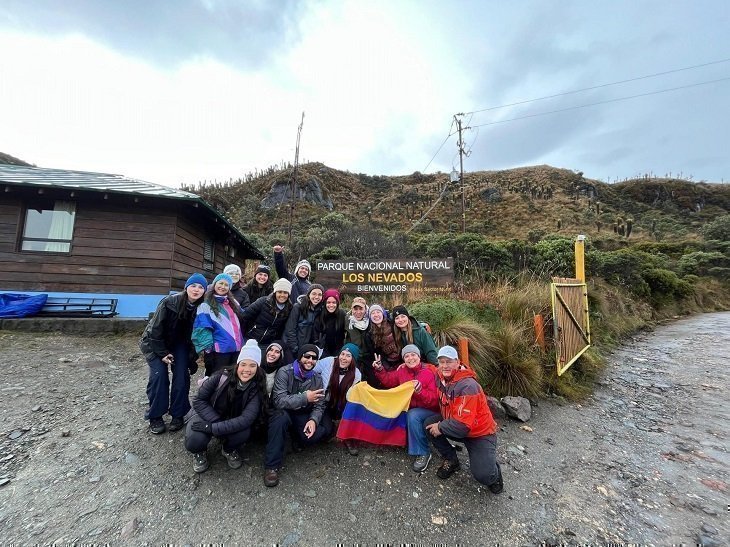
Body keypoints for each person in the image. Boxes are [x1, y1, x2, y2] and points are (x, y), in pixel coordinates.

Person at [424, 345, 503, 494]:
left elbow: (461, 426)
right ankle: (452, 460)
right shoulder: (439, 374)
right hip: (454, 420)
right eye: (442, 362)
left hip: (479, 433)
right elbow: (427, 367)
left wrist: (440, 427)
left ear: (458, 362)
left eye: (449, 361)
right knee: (428, 425)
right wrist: (407, 363)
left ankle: (494, 474)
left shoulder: (468, 386)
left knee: (483, 475)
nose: (445, 365)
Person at [184, 339, 267, 473]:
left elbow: (246, 419)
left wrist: (214, 428)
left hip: (231, 420)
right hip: (207, 415)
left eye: (252, 365)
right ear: (237, 365)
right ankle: (200, 451)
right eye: (243, 364)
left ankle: (228, 449)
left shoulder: (257, 388)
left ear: (257, 368)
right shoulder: (220, 376)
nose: (247, 370)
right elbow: (199, 400)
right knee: (194, 441)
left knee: (244, 432)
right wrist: (214, 422)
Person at [140, 273, 207, 434]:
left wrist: (191, 358)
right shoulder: (169, 302)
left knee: (181, 376)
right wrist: (162, 353)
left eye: (200, 287)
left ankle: (178, 413)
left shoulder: (202, 308)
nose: (196, 290)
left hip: (180, 344)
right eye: (193, 286)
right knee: (159, 376)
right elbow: (154, 330)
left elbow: (196, 337)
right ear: (186, 287)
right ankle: (155, 415)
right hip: (155, 342)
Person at [263, 344, 332, 487]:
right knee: (280, 420)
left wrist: (313, 420)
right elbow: (279, 401)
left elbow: (319, 404)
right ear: (300, 357)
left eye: (314, 358)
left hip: (302, 413)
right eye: (307, 356)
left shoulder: (317, 378)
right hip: (284, 411)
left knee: (319, 433)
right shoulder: (285, 372)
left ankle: (296, 439)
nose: (310, 360)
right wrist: (305, 398)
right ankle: (272, 467)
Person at [373, 344, 439, 472]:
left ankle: (424, 452)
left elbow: (435, 401)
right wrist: (380, 369)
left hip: (430, 410)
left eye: (413, 355)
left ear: (419, 356)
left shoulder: (429, 372)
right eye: (407, 356)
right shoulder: (402, 371)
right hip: (411, 409)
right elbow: (388, 380)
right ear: (403, 359)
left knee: (412, 415)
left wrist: (420, 392)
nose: (410, 358)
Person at [192, 273, 244, 377]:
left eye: (226, 285)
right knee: (216, 382)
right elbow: (202, 328)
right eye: (221, 283)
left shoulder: (233, 302)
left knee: (231, 381)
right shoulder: (205, 303)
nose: (223, 287)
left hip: (237, 349)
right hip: (219, 351)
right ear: (215, 284)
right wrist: (208, 352)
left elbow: (245, 316)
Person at [315, 343, 362, 455]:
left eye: (348, 356)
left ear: (353, 359)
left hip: (343, 405)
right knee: (325, 432)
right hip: (325, 403)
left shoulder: (356, 374)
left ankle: (348, 437)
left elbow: (354, 398)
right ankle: (329, 428)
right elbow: (312, 368)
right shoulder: (329, 362)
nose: (344, 358)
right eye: (342, 354)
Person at [240, 278, 293, 354]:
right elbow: (245, 316)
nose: (282, 295)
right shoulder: (263, 301)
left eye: (285, 292)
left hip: (267, 344)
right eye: (279, 292)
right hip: (250, 338)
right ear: (275, 292)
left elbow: (282, 329)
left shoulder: (289, 308)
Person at [283, 284, 324, 363]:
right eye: (314, 294)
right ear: (308, 295)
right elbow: (290, 329)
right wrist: (295, 348)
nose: (316, 297)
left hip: (305, 350)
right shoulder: (298, 307)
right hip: (292, 348)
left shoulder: (320, 310)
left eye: (320, 295)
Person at [363, 304, 400, 387]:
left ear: (383, 313)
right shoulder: (369, 335)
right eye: (373, 313)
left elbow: (405, 323)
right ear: (370, 317)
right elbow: (374, 354)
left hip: (401, 359)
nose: (376, 315)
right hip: (386, 363)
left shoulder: (393, 324)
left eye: (378, 312)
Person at [314, 289, 346, 358]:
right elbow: (315, 334)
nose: (331, 305)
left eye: (334, 302)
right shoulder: (319, 315)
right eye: (328, 302)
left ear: (337, 303)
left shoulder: (342, 314)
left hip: (338, 349)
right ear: (325, 303)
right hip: (323, 350)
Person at [345, 296, 373, 369]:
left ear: (365, 309)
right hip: (354, 356)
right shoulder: (348, 321)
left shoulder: (371, 321)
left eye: (361, 309)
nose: (358, 312)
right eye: (355, 309)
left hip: (370, 357)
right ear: (352, 309)